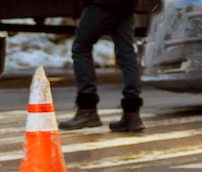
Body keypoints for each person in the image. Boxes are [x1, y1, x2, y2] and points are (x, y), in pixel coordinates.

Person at [59, 0, 144, 132]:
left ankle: (87, 109)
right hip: (127, 5)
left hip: (101, 3)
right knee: (127, 54)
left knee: (81, 48)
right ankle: (132, 114)